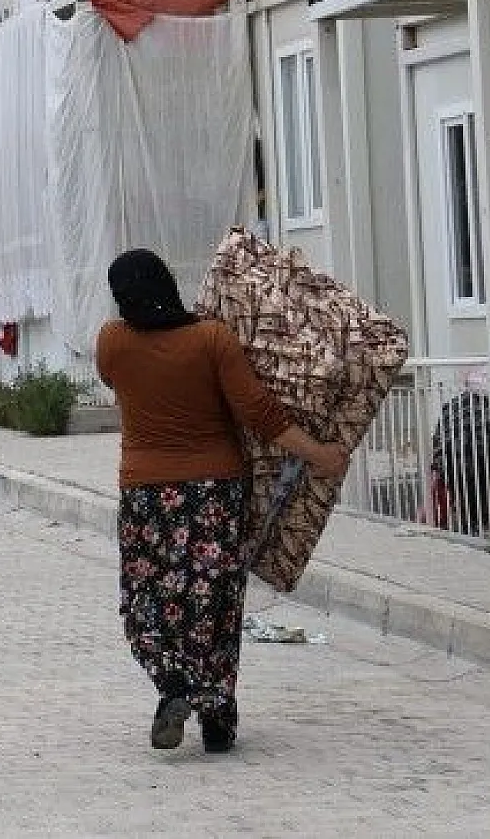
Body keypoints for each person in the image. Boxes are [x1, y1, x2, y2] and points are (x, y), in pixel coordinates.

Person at [96, 249, 350, 754]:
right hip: (214, 490)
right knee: (212, 601)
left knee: (151, 599)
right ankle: (217, 719)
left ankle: (172, 687)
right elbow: (261, 413)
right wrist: (321, 455)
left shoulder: (112, 341)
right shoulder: (212, 339)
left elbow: (112, 382)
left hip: (145, 493)